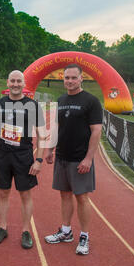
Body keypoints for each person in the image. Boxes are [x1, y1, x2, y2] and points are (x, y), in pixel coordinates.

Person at [44, 64, 102, 255]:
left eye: (73, 78)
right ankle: (66, 231)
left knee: (82, 197)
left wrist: (88, 159)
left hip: (80, 159)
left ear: (81, 78)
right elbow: (57, 127)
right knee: (64, 195)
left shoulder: (91, 101)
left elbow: (96, 131)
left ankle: (84, 236)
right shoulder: (60, 99)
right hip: (62, 157)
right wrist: (51, 149)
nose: (69, 81)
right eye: (66, 78)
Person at [0, 70, 46, 249]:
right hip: (2, 154)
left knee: (25, 194)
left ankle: (26, 231)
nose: (15, 84)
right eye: (12, 81)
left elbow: (42, 135)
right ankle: (3, 228)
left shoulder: (33, 106)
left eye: (19, 81)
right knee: (3, 193)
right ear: (7, 82)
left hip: (24, 155)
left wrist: (39, 160)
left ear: (24, 83)